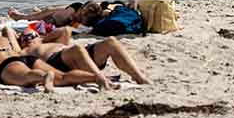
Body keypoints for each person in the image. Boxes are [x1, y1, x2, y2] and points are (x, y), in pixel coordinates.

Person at [0, 12, 97, 91]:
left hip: (6, 67)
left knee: (29, 75)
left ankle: (43, 76)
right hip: (24, 60)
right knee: (62, 77)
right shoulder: (2, 39)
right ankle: (97, 78)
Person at [12, 26, 150, 86]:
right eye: (24, 38)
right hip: (59, 62)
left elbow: (66, 30)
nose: (28, 39)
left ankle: (139, 77)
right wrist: (19, 39)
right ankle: (101, 79)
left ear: (38, 35)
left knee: (111, 42)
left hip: (79, 56)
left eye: (31, 35)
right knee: (77, 48)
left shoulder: (52, 41)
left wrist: (42, 38)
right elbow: (8, 31)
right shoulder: (24, 51)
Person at [7, 1, 100, 27]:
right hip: (61, 15)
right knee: (50, 11)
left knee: (49, 12)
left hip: (55, 19)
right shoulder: (73, 10)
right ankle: (22, 16)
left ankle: (21, 16)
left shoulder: (85, 16)